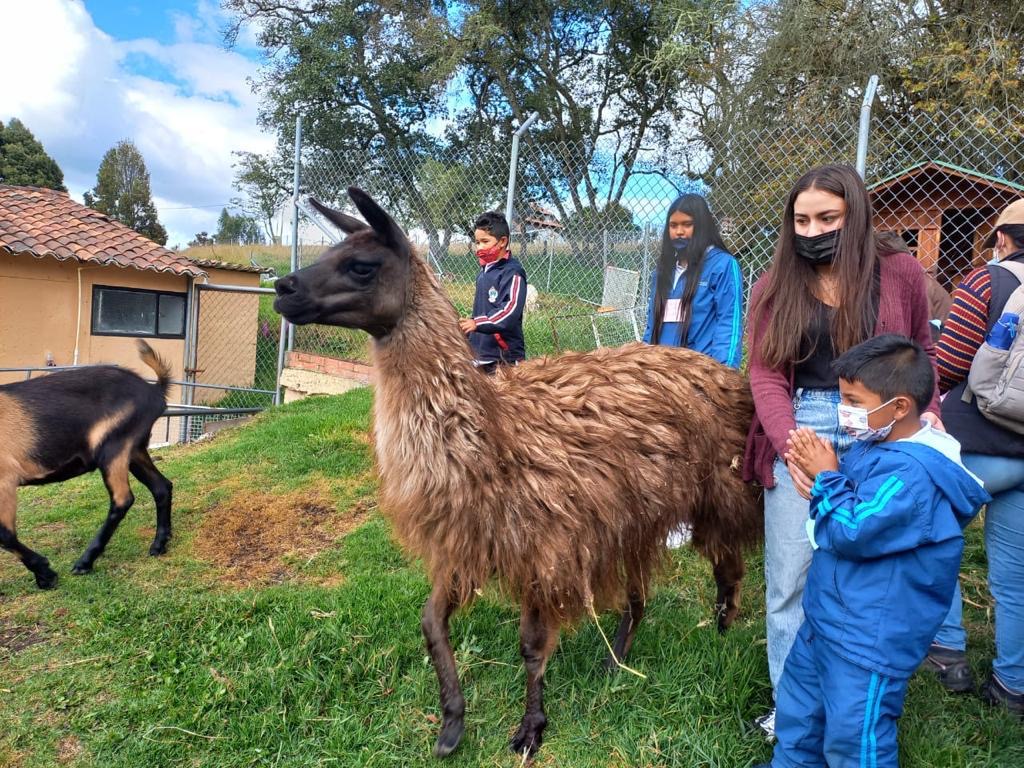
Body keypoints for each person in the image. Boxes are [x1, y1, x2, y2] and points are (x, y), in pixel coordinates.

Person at [743, 164, 942, 739]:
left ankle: (859, 703)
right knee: (791, 578)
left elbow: (921, 351)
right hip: (803, 420)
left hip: (883, 422)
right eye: (802, 220)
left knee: (870, 568)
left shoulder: (899, 272)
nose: (813, 230)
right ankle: (792, 705)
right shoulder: (774, 285)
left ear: (854, 216)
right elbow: (764, 375)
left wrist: (926, 412)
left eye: (827, 218)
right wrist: (792, 447)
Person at [754, 334, 988, 768]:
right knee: (799, 718)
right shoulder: (876, 445)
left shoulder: (914, 477)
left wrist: (826, 477)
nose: (843, 411)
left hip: (867, 642)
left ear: (899, 407)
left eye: (853, 401)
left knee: (853, 738)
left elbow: (852, 529)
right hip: (828, 621)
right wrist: (827, 475)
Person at [925, 198, 1024, 717]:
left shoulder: (985, 283)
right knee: (1016, 575)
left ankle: (947, 651)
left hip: (979, 448)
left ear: (1003, 239)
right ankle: (1012, 684)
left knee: (935, 537)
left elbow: (949, 363)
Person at [642, 194, 743, 368]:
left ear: (702, 226)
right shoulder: (661, 272)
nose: (679, 231)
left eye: (687, 224)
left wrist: (723, 377)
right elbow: (651, 325)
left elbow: (728, 323)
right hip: (660, 374)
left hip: (700, 374)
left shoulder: (723, 265)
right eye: (673, 226)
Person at [459, 211, 528, 372]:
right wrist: (469, 328)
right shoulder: (484, 272)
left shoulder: (513, 273)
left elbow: (509, 311)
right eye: (477, 242)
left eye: (485, 241)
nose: (480, 247)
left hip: (504, 357)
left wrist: (477, 323)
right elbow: (483, 310)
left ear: (502, 241)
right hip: (480, 353)